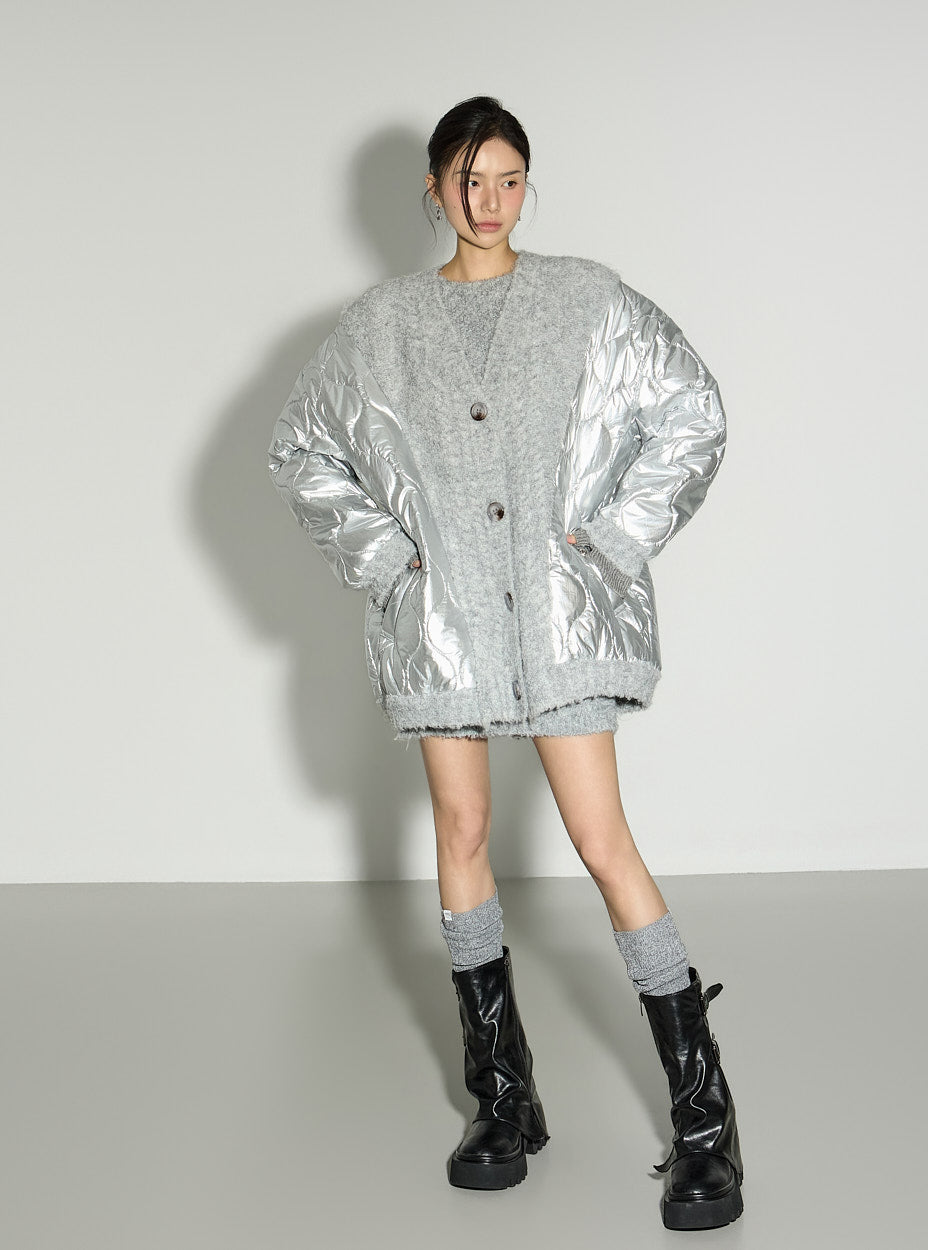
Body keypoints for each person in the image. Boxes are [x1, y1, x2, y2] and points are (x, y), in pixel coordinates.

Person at [267, 95, 744, 1231]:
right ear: (434, 189)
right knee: (464, 832)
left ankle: (707, 1121)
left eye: (510, 178)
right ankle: (502, 1096)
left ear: (528, 185)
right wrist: (393, 561)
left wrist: (614, 542)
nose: (490, 202)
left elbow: (692, 410)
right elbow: (301, 448)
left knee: (601, 842)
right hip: (446, 626)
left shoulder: (586, 298)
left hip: (558, 625)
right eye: (469, 180)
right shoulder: (383, 323)